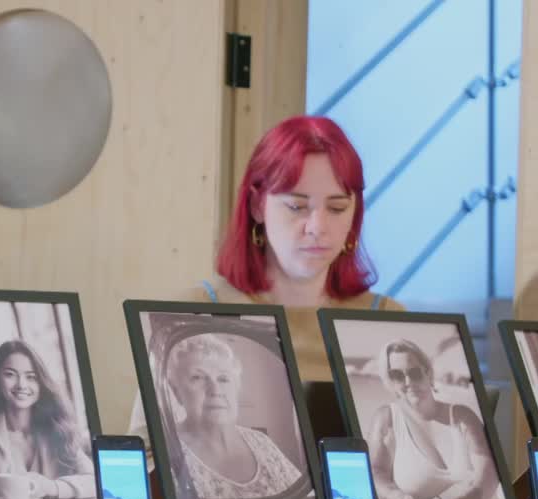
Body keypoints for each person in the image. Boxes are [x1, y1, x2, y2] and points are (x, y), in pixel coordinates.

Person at [129, 116, 403, 445]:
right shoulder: (193, 313)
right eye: (297, 206)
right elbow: (146, 453)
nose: (317, 227)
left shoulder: (386, 319)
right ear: (258, 205)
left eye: (337, 208)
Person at [365, 340, 507, 499]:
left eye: (415, 373)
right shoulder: (386, 419)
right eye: (397, 375)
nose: (408, 382)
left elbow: (487, 478)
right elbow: (374, 472)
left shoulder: (463, 417)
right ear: (390, 381)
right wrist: (395, 496)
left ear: (428, 373)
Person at [166, 334, 303, 499]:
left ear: (236, 387)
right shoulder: (167, 450)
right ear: (176, 392)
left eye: (223, 379)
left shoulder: (261, 441)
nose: (215, 390)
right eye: (197, 378)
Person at [0, 340, 94, 499]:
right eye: (10, 374)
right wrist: (5, 483)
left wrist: (50, 487)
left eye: (31, 377)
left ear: (41, 384)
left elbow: (95, 481)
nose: (21, 384)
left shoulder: (57, 425)